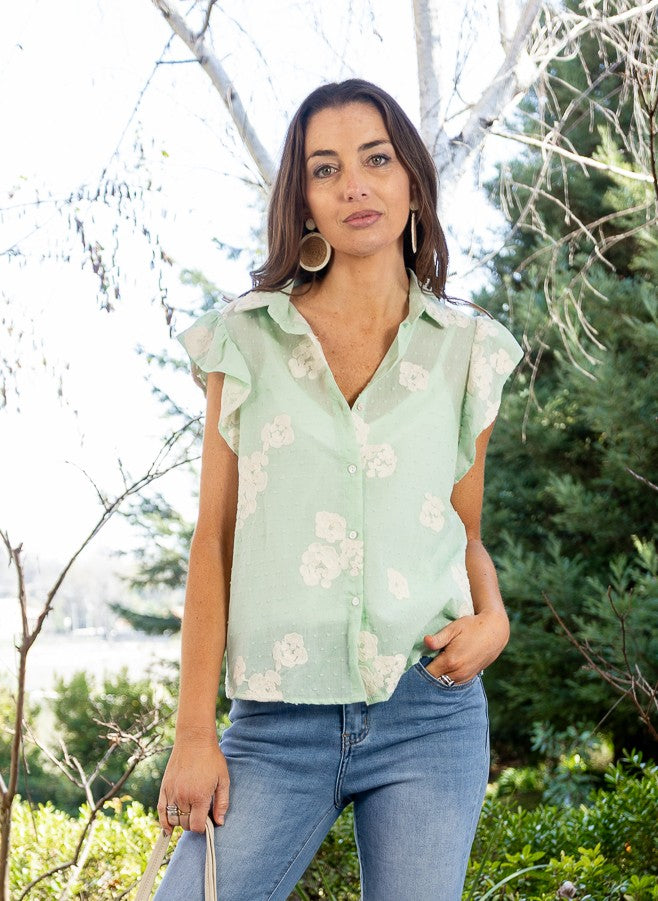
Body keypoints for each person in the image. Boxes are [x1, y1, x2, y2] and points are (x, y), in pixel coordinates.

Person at [154, 78, 523, 901]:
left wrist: (493, 618)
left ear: (412, 181)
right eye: (326, 169)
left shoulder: (467, 351)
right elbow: (214, 540)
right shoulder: (247, 338)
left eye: (376, 159)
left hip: (429, 710)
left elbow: (463, 532)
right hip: (276, 721)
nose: (355, 184)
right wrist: (193, 732)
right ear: (305, 201)